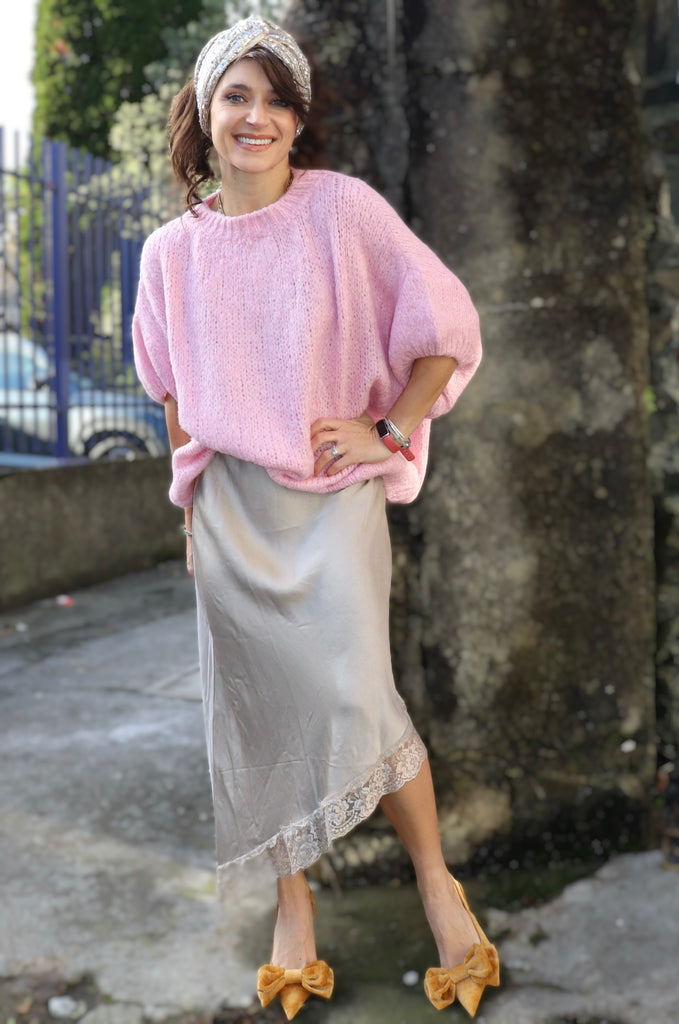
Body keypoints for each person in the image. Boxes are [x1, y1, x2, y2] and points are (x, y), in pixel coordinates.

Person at [133, 14, 499, 1020]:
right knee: (253, 715)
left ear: (297, 121)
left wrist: (389, 427)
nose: (255, 116)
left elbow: (444, 325)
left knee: (355, 693)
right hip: (227, 512)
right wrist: (188, 510)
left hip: (331, 503)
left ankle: (436, 885)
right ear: (204, 114)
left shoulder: (342, 211)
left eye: (275, 100)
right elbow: (170, 393)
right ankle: (291, 909)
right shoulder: (169, 254)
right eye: (235, 96)